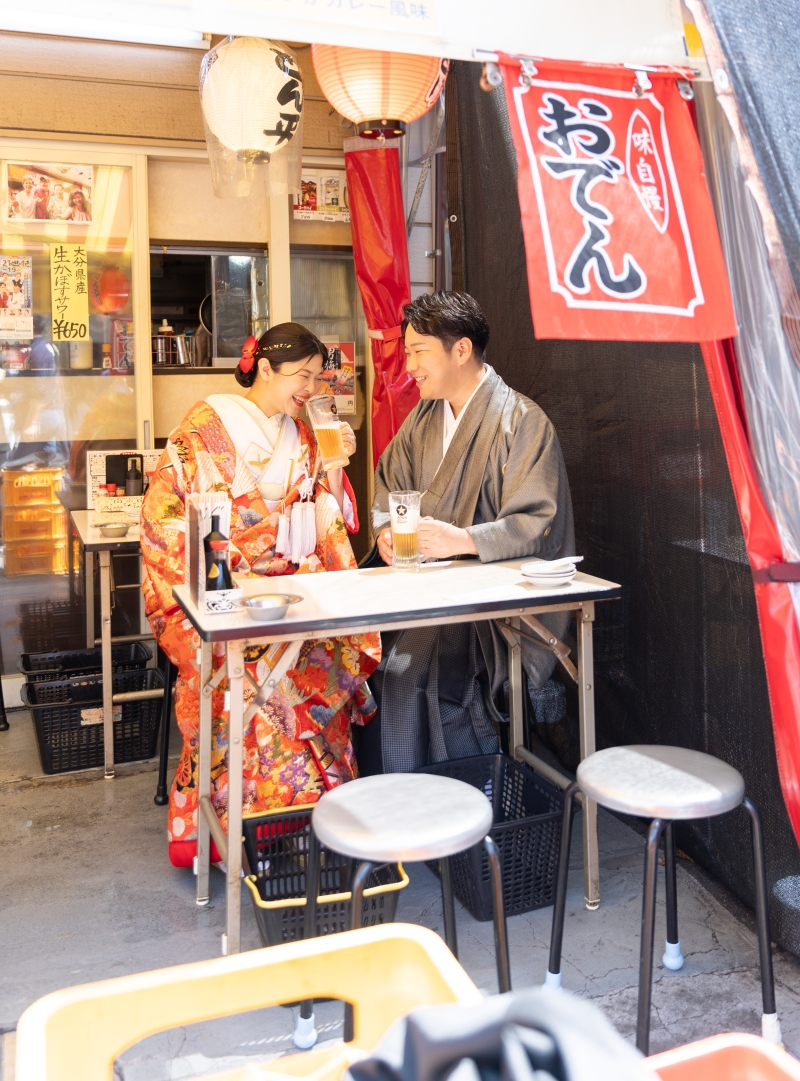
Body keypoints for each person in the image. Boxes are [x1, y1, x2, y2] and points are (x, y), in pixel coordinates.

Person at [141, 323, 380, 867]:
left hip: (296, 597)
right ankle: (242, 833)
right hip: (228, 596)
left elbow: (327, 522)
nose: (311, 388)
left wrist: (335, 484)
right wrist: (233, 578)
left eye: (318, 378)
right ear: (265, 368)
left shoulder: (306, 434)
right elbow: (167, 525)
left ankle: (316, 824)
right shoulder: (199, 434)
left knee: (318, 649)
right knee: (237, 673)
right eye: (303, 376)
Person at [366, 292, 575, 772]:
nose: (409, 365)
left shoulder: (523, 422)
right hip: (420, 592)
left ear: (460, 350)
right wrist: (383, 530)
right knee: (358, 660)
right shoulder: (423, 418)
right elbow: (388, 486)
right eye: (407, 351)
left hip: (488, 608)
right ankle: (397, 805)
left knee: (406, 674)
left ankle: (445, 805)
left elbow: (537, 522)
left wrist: (463, 541)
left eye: (418, 351)